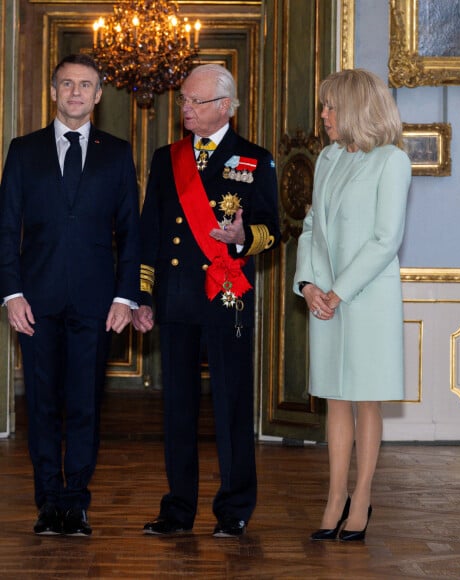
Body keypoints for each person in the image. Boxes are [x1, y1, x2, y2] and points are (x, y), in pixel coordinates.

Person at [133, 64, 280, 538]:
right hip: (176, 301)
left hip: (227, 298)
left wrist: (241, 239)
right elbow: (150, 232)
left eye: (195, 102)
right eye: (183, 101)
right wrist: (144, 294)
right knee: (177, 409)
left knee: (231, 406)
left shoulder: (254, 160)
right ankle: (178, 509)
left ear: (225, 107)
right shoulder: (166, 157)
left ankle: (234, 509)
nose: (185, 109)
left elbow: (273, 231)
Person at [0, 54, 141, 536]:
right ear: (53, 91)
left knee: (84, 404)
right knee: (41, 405)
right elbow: (5, 230)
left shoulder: (118, 153)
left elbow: (131, 231)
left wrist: (126, 298)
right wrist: (11, 292)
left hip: (97, 305)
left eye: (85, 85)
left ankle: (76, 502)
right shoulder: (23, 150)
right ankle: (47, 503)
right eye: (66, 84)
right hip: (34, 303)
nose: (75, 92)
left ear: (99, 95)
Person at [294, 69, 411, 542]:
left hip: (365, 300)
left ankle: (361, 496)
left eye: (331, 106)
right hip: (325, 299)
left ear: (358, 108)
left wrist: (338, 292)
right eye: (324, 106)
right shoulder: (326, 158)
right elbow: (308, 227)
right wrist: (308, 286)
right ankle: (334, 496)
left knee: (366, 397)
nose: (323, 115)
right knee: (334, 398)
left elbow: (386, 240)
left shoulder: (392, 162)